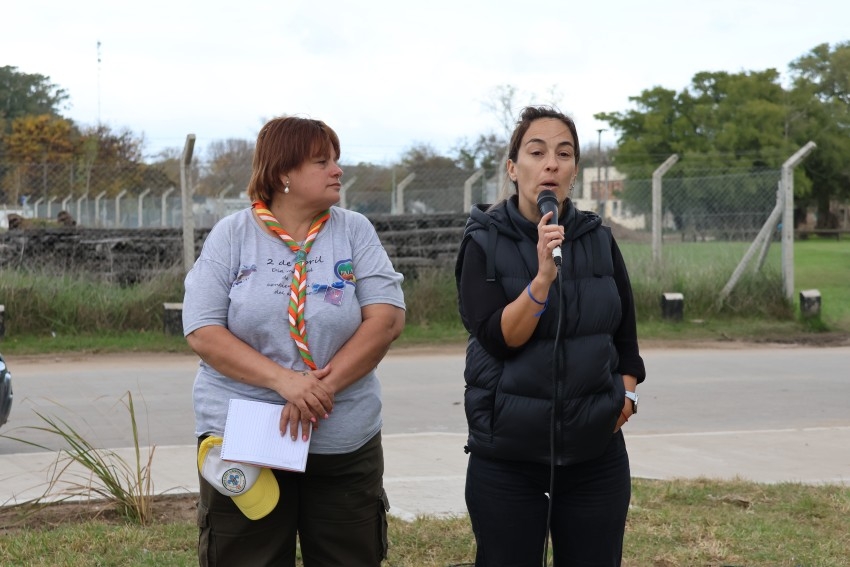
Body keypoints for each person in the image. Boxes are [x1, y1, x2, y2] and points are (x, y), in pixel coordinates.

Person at [183, 116, 406, 566]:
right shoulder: (232, 234)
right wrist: (285, 382)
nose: (337, 170)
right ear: (283, 172)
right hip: (245, 439)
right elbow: (203, 330)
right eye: (322, 162)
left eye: (336, 160)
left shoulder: (354, 230)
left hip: (343, 440)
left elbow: (385, 319)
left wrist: (318, 390)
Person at [455, 106, 646, 566]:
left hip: (595, 456)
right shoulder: (483, 242)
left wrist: (625, 397)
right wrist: (541, 279)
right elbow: (498, 339)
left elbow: (625, 336)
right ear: (512, 167)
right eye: (537, 152)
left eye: (564, 154)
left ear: (574, 171)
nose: (551, 165)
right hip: (507, 460)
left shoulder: (598, 239)